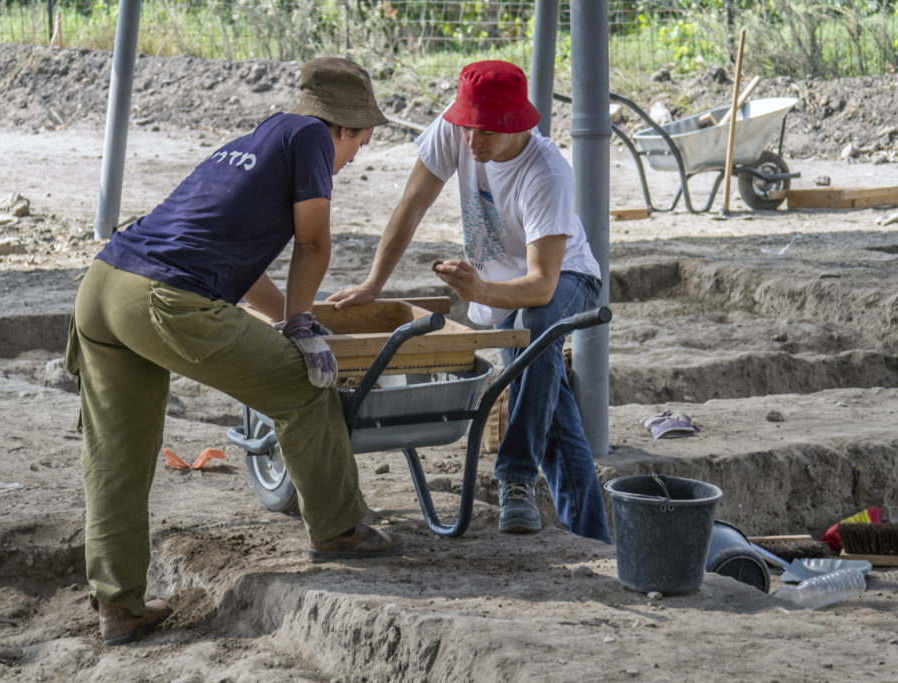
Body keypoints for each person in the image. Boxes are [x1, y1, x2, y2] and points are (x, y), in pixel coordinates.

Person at [64, 57, 405, 647]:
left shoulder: (258, 139)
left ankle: (118, 605)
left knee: (117, 456)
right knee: (303, 387)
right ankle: (338, 529)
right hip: (162, 299)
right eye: (362, 143)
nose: (355, 158)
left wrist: (292, 318)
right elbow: (315, 240)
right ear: (343, 127)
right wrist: (302, 326)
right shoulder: (310, 139)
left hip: (102, 286)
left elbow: (241, 271)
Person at [329, 60, 611, 544]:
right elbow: (412, 203)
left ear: (516, 125)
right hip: (503, 295)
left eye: (484, 134)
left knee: (537, 325)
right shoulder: (456, 128)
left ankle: (514, 477)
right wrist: (374, 284)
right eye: (466, 129)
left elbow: (542, 285)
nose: (471, 144)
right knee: (553, 418)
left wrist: (479, 291)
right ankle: (596, 540)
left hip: (565, 279)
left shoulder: (546, 174)